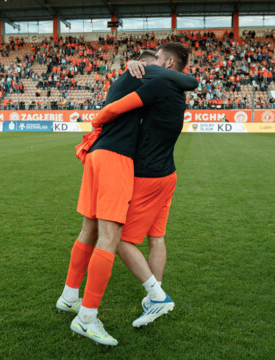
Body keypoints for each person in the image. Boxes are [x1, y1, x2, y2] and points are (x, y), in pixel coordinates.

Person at [56, 45, 197, 346]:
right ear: (143, 67)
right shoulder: (150, 78)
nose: (153, 68)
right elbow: (188, 81)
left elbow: (185, 80)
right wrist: (98, 119)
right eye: (152, 63)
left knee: (90, 229)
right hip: (116, 159)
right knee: (112, 237)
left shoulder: (134, 79)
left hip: (98, 155)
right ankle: (87, 318)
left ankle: (69, 297)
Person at [92, 43, 193, 328]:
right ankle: (155, 296)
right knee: (156, 237)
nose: (151, 63)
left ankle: (157, 297)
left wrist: (96, 122)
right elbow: (191, 80)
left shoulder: (158, 83)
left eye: (157, 59)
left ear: (169, 63)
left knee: (121, 239)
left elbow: (116, 107)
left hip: (148, 175)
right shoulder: (175, 87)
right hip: (167, 174)